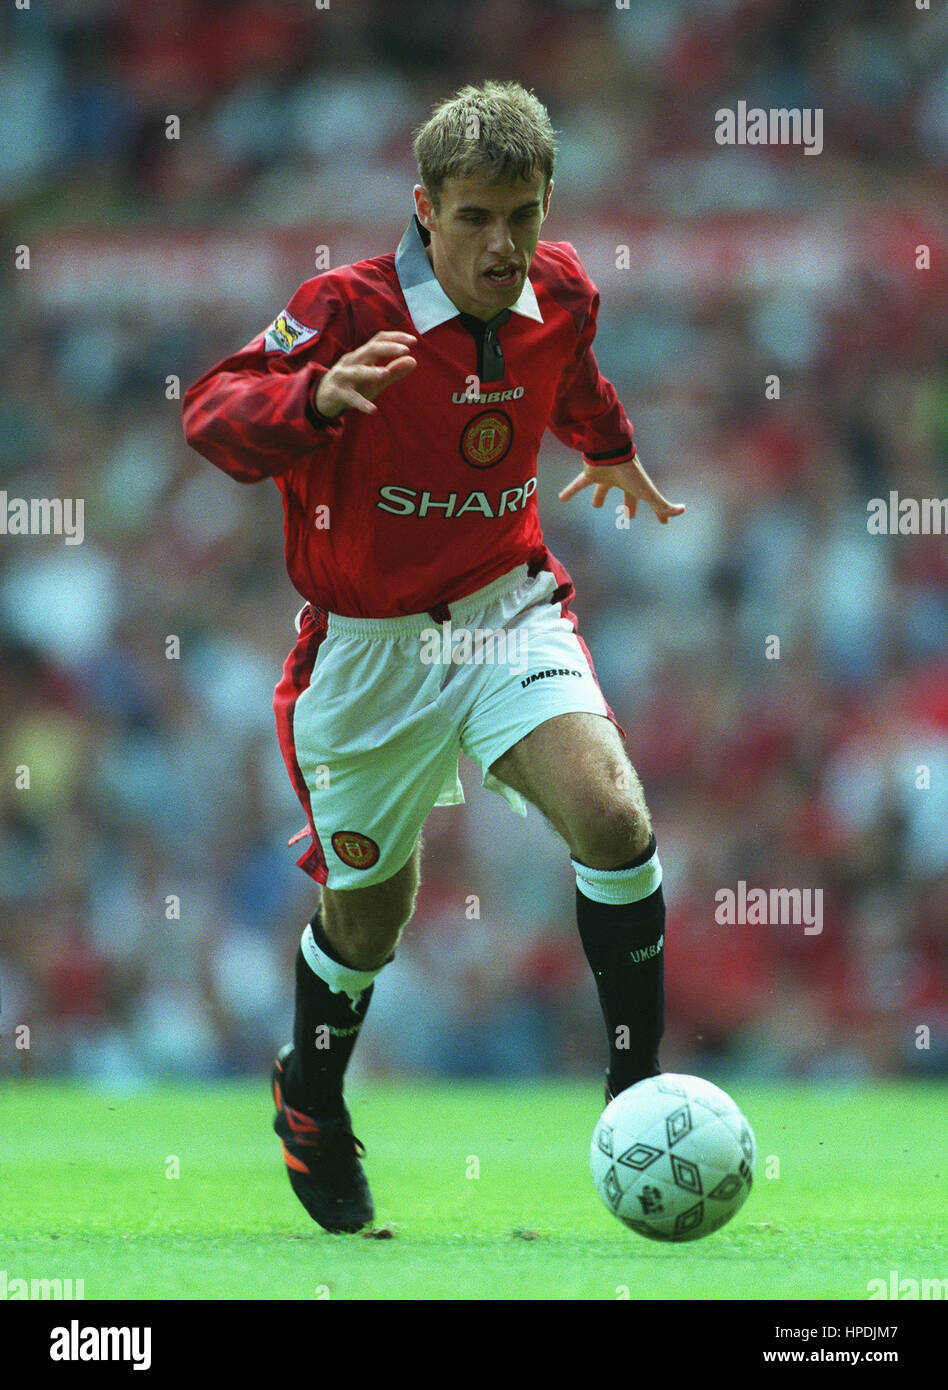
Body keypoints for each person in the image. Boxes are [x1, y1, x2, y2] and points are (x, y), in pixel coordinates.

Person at [182, 80, 684, 1233]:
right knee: (371, 919)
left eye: (524, 213)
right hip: (363, 656)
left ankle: (636, 1097)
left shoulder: (562, 288)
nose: (503, 243)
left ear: (547, 204)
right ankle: (308, 1094)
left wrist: (609, 448)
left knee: (612, 816)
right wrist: (311, 399)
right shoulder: (347, 308)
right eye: (475, 217)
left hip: (506, 607)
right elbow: (212, 407)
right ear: (425, 209)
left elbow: (573, 375)